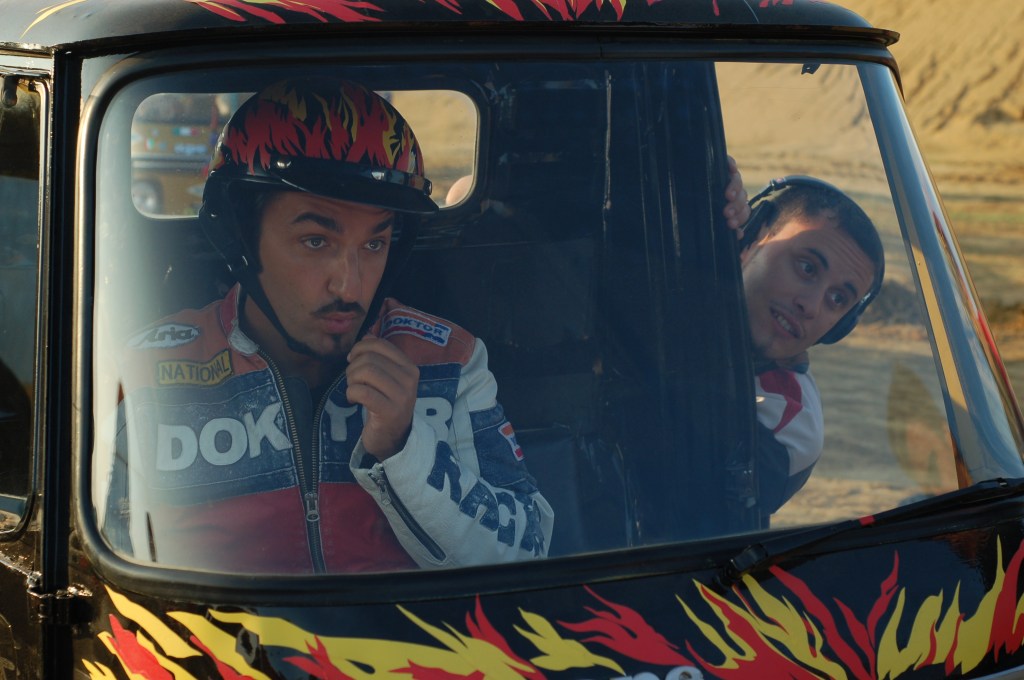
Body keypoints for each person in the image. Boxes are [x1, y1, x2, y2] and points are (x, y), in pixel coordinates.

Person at [102, 78, 752, 572]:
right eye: (315, 242)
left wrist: (404, 448)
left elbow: (526, 549)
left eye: (375, 243)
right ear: (242, 237)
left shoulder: (448, 361)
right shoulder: (147, 372)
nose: (349, 283)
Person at [733, 176, 885, 515]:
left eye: (837, 299)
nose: (811, 306)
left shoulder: (792, 425)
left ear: (840, 327)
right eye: (806, 268)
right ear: (754, 237)